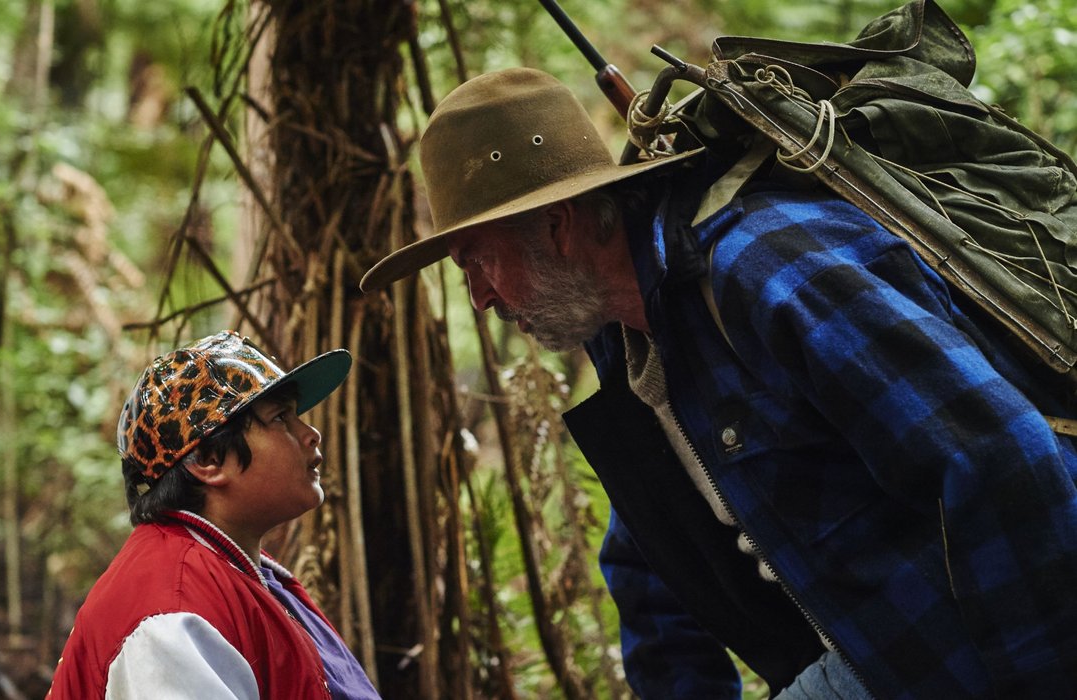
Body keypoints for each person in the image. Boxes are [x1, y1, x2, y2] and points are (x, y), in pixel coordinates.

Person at [358, 66, 1077, 698]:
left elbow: (999, 457)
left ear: (557, 227)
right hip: (876, 655)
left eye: (477, 262)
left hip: (984, 652)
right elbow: (651, 564)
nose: (481, 299)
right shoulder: (627, 339)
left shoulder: (768, 269)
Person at [48, 330, 380, 699]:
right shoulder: (170, 617)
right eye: (281, 419)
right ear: (208, 460)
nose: (311, 434)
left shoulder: (241, 573)